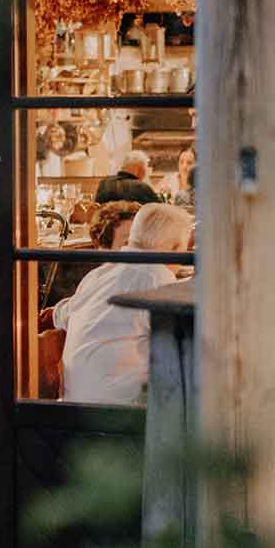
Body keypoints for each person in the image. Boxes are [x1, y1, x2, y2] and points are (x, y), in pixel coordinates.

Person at [54, 202, 193, 405]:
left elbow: (60, 316)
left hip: (75, 404)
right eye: (183, 248)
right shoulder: (156, 276)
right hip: (120, 411)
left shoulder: (99, 274)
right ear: (173, 247)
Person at [95, 150, 162, 205]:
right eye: (146, 167)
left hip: (106, 220)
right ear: (139, 170)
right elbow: (160, 210)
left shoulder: (104, 182)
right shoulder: (141, 187)